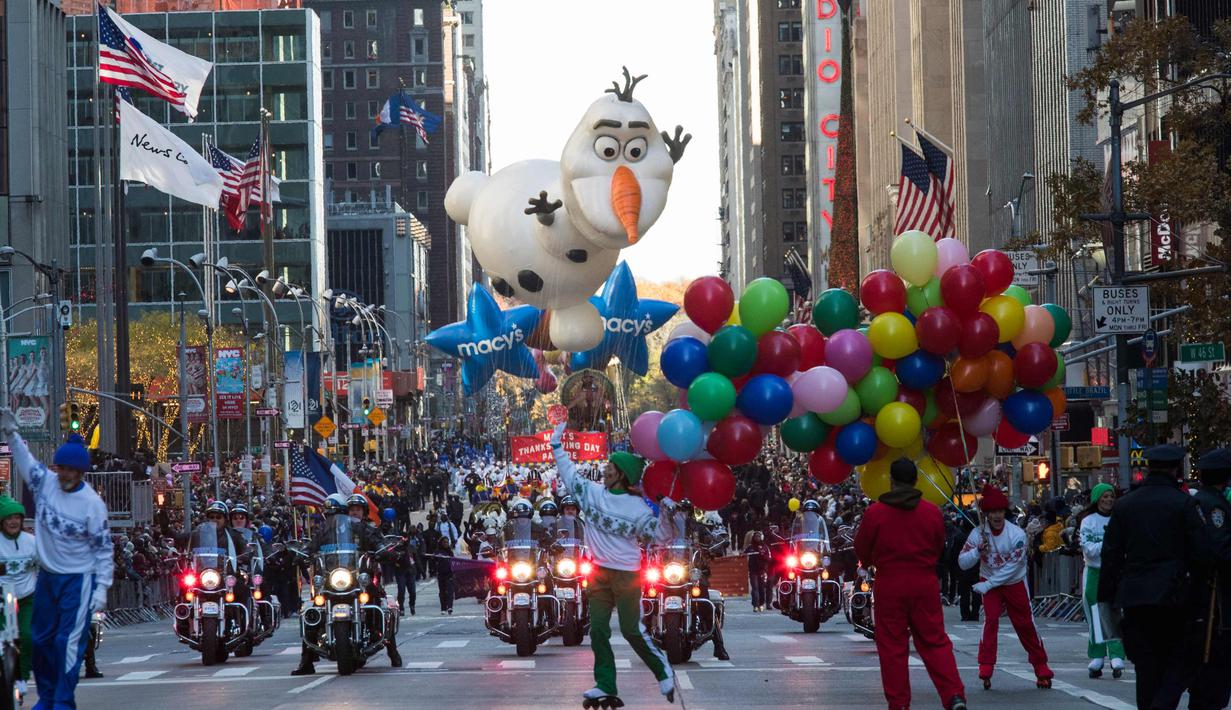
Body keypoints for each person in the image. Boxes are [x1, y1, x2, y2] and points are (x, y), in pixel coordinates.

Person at [550, 423, 676, 705]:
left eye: (610, 467)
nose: (605, 469)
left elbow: (662, 537)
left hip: (627, 576)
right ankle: (605, 684)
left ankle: (662, 670)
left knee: (632, 630)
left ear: (622, 475)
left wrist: (667, 511)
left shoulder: (638, 508)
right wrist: (556, 444)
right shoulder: (591, 493)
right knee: (597, 630)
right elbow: (569, 473)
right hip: (597, 574)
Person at [2, 424, 113, 710]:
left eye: (70, 470)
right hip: (48, 578)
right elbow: (25, 460)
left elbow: (103, 550)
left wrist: (101, 587)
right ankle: (48, 697)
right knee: (39, 640)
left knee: (67, 643)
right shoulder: (44, 483)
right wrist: (12, 434)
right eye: (61, 468)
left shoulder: (92, 505)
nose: (64, 474)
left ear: (81, 473)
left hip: (78, 580)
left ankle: (63, 702)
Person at [1098, 443, 1210, 710]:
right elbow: (1201, 554)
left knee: (1146, 667)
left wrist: (1106, 598)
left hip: (1135, 596)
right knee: (1178, 660)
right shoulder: (1184, 503)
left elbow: (1110, 555)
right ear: (1175, 469)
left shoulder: (1125, 505)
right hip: (1175, 596)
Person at [854, 458, 966, 710]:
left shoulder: (876, 513)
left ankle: (899, 703)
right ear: (916, 480)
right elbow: (939, 546)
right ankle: (953, 694)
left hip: (890, 583)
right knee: (934, 641)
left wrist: (873, 561)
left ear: (891, 481)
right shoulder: (931, 512)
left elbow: (862, 548)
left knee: (892, 645)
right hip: (923, 581)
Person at [958, 484, 1052, 690]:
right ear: (986, 514)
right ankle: (986, 664)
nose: (997, 516)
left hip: (1013, 582)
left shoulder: (1016, 535)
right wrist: (977, 552)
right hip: (989, 582)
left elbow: (1013, 568)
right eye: (992, 512)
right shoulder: (977, 534)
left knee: (1025, 624)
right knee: (990, 621)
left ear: (1005, 512)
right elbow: (962, 562)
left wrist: (989, 584)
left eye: (1000, 511)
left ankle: (1041, 666)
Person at [1180, 447, 1231, 709]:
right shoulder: (1213, 504)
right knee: (1213, 666)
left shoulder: (1201, 500)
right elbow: (1219, 548)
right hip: (1214, 597)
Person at [1077, 482, 1125, 679]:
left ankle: (1116, 655)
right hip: (1095, 572)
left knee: (1114, 612)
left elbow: (1123, 547)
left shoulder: (1120, 519)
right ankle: (1097, 656)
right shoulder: (1088, 521)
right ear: (1097, 499)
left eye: (1111, 496)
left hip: (1115, 571)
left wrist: (1106, 547)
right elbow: (1089, 550)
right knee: (1095, 614)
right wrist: (1109, 544)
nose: (1108, 500)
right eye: (1104, 496)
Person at [0, 495, 36, 698]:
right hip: (1, 600)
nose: (13, 522)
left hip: (27, 598)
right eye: (8, 518)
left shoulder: (31, 543)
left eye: (16, 517)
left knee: (28, 636)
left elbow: (48, 566)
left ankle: (22, 677)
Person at [743, 530, 771, 612]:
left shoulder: (765, 547)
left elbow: (769, 559)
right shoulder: (750, 547)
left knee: (761, 588)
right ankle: (755, 605)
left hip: (762, 571)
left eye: (759, 536)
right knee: (754, 588)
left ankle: (761, 604)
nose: (757, 538)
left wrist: (762, 554)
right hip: (753, 571)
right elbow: (744, 554)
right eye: (756, 537)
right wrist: (743, 555)